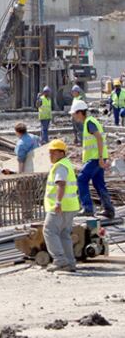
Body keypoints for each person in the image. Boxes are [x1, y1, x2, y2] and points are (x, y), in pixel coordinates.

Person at [70, 100, 115, 218]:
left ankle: (87, 208)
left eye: (74, 114)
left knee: (81, 179)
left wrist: (100, 158)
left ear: (80, 112)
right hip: (97, 157)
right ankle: (109, 209)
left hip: (96, 158)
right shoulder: (90, 122)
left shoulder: (89, 122)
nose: (74, 117)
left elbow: (99, 138)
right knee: (98, 182)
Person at [43, 139, 80, 272]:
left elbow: (61, 184)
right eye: (49, 153)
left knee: (49, 231)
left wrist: (58, 202)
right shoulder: (66, 164)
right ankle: (70, 263)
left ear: (61, 153)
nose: (50, 155)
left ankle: (59, 260)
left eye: (53, 152)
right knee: (64, 234)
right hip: (70, 206)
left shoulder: (60, 166)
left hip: (60, 206)